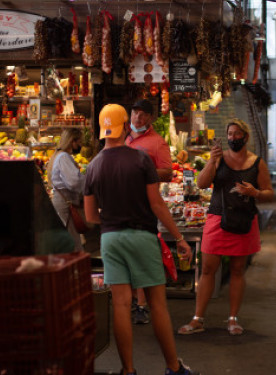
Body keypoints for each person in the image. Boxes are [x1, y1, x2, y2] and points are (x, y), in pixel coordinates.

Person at [83, 104, 197, 375]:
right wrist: (180, 238)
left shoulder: (93, 166)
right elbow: (157, 204)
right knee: (156, 303)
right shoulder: (141, 159)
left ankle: (128, 370)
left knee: (121, 304)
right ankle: (173, 368)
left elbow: (90, 216)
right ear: (124, 126)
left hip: (110, 239)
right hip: (142, 236)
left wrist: (114, 217)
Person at [178, 118, 273, 336]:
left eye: (237, 134)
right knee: (208, 269)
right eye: (229, 134)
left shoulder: (257, 163)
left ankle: (233, 319)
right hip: (217, 219)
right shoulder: (218, 159)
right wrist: (212, 161)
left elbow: (268, 192)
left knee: (238, 270)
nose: (232, 138)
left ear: (246, 136)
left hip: (243, 221)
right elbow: (201, 184)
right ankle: (197, 318)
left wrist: (255, 193)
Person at [126, 98, 174, 325]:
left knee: (141, 258)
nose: (138, 117)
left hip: (145, 206)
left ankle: (143, 305)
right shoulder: (122, 138)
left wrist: (142, 170)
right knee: (126, 257)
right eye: (135, 112)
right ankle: (132, 301)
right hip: (123, 205)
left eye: (143, 114)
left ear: (150, 118)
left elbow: (167, 173)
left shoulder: (157, 142)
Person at [47, 128, 88, 251]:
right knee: (72, 243)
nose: (80, 145)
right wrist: (87, 179)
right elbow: (74, 182)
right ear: (72, 141)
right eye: (79, 141)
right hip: (66, 205)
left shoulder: (57, 155)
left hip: (62, 202)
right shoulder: (64, 157)